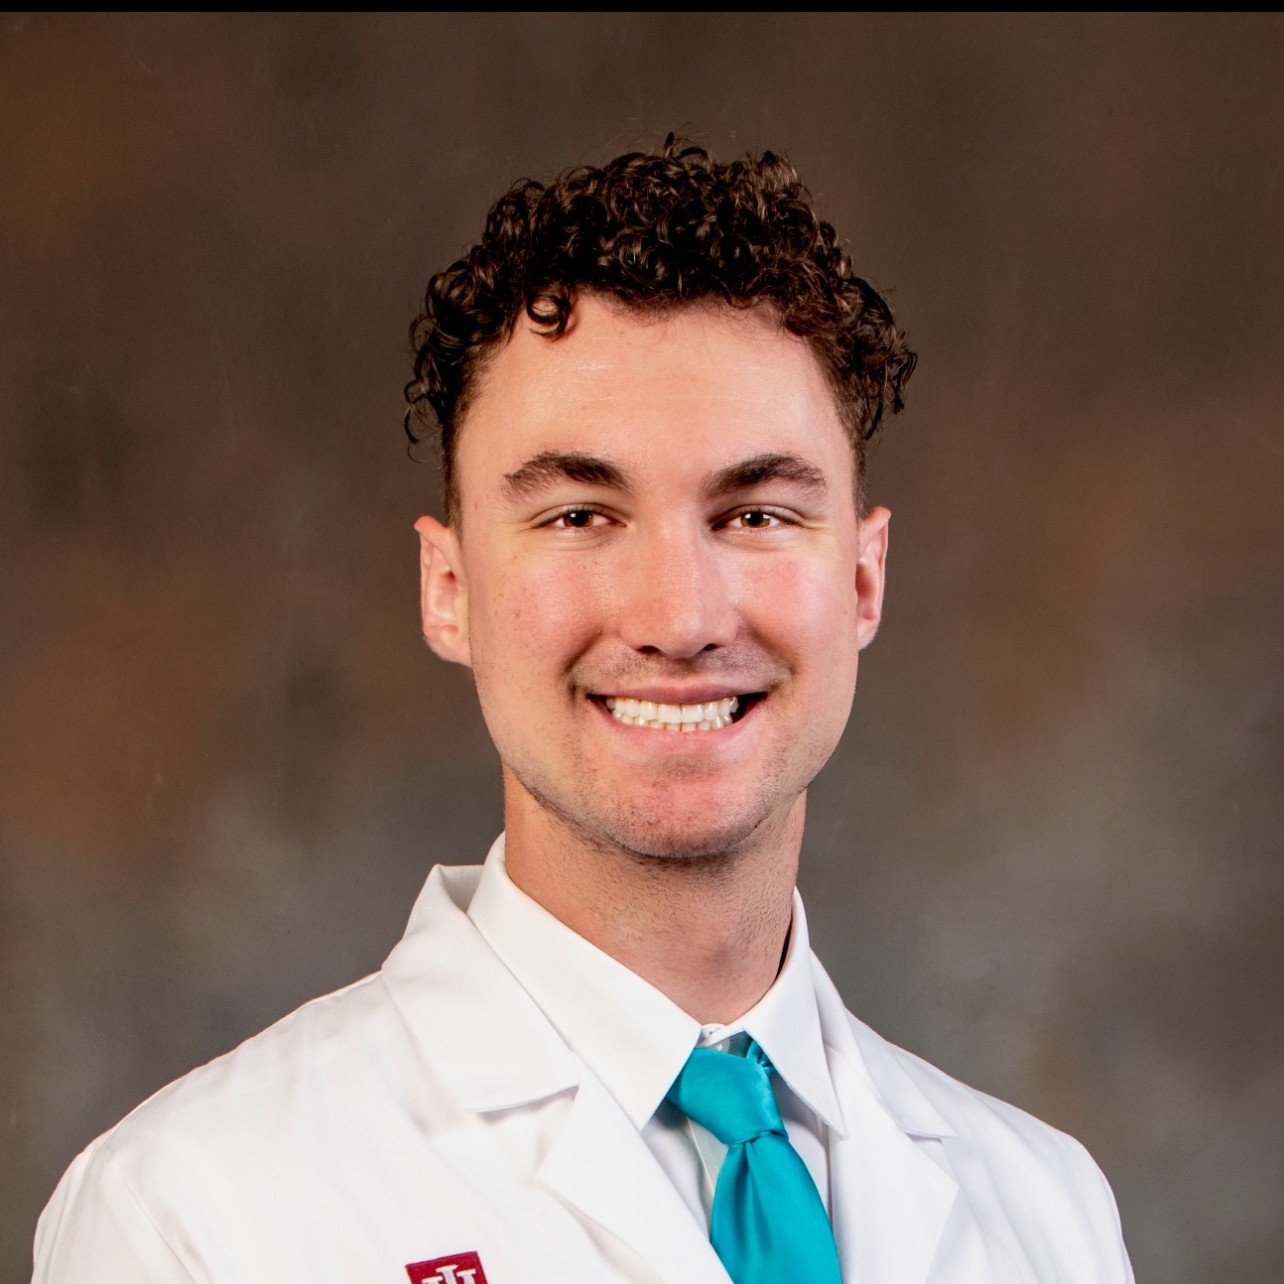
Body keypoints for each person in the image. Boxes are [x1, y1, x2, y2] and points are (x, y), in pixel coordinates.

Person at [32, 138, 1135, 1284]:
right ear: (449, 590)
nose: (681, 616)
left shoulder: (1046, 1211)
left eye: (756, 514)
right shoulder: (196, 1214)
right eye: (578, 516)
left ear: (862, 579)